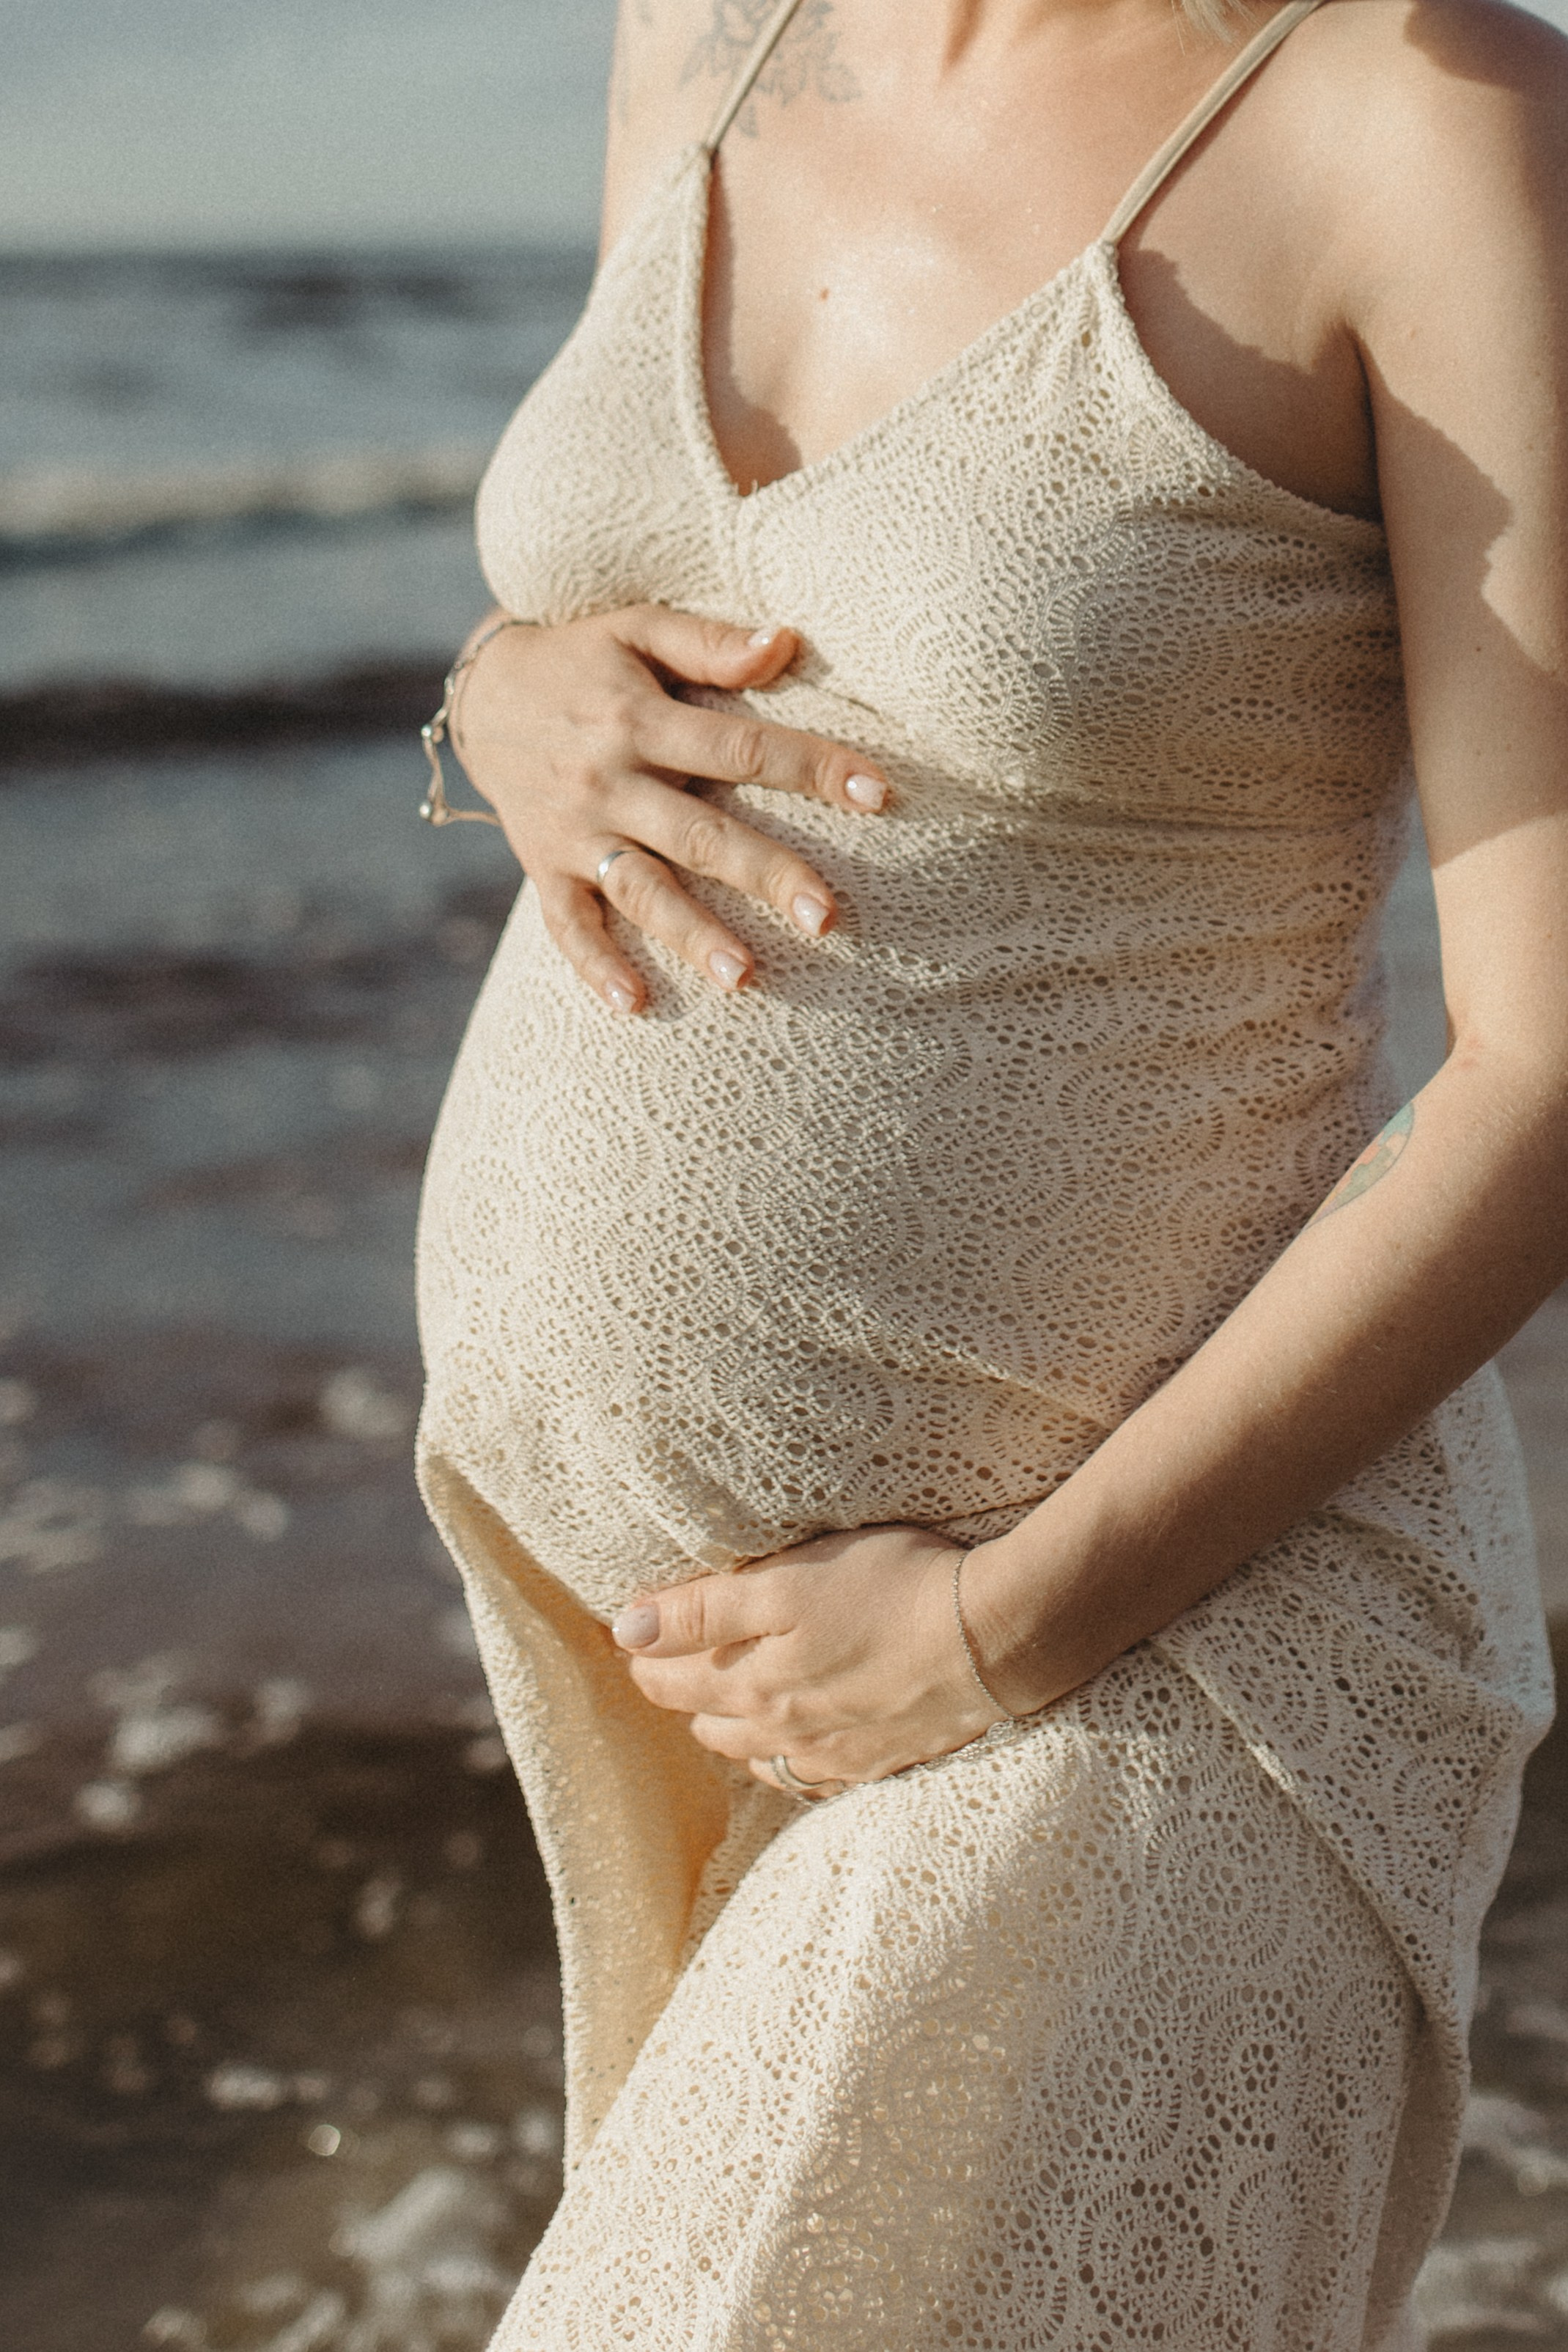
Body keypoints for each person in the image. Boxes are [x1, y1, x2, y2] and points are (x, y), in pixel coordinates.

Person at [413, 0, 1568, 2341]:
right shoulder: (708, 42)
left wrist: (994, 1624)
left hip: (1153, 1653)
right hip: (712, 1708)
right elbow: (680, 633)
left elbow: (1549, 1068)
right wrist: (490, 691)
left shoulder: (1422, 124)